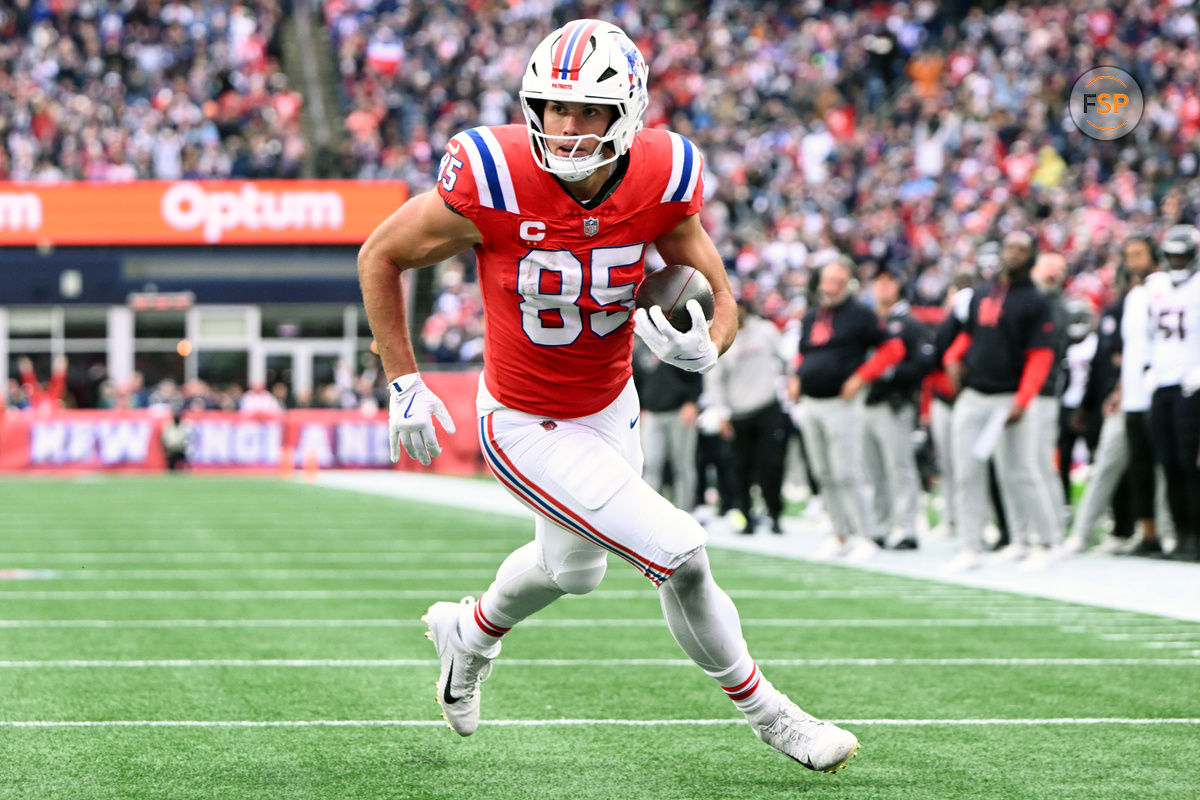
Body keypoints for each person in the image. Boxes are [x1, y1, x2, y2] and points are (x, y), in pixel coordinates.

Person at [356, 20, 859, 772]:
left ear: (626, 113)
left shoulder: (661, 172)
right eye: (555, 107)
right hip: (524, 419)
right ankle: (772, 715)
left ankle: (470, 631)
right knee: (681, 553)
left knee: (573, 571)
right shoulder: (491, 171)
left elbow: (716, 287)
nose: (567, 125)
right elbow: (381, 253)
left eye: (589, 111)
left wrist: (707, 343)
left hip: (610, 403)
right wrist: (403, 379)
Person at [941, 231, 1062, 573]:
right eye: (1010, 247)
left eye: (1022, 249)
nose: (1014, 254)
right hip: (975, 393)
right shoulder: (983, 293)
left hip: (1011, 396)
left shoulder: (1035, 301)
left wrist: (1024, 400)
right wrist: (953, 356)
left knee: (1022, 471)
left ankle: (1049, 541)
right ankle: (971, 546)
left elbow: (1041, 355)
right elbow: (972, 335)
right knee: (966, 471)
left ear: (1032, 256)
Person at [787, 256, 906, 561]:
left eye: (838, 282)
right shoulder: (812, 316)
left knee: (847, 471)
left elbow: (893, 348)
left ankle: (868, 535)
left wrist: (861, 378)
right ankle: (839, 534)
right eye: (828, 281)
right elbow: (805, 353)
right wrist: (796, 379)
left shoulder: (860, 314)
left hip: (842, 403)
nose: (832, 287)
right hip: (812, 402)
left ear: (848, 284)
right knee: (823, 472)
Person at [861, 266, 933, 550]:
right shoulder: (870, 321)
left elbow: (924, 361)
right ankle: (880, 525)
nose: (882, 287)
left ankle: (906, 528)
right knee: (874, 469)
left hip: (895, 403)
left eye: (888, 281)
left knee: (899, 467)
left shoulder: (909, 324)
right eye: (878, 282)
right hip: (867, 401)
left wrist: (892, 374)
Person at [703, 298, 789, 534]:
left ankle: (775, 513)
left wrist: (789, 385)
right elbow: (714, 380)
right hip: (738, 412)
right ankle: (746, 517)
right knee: (740, 468)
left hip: (767, 405)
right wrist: (720, 412)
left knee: (771, 465)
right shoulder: (721, 337)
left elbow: (785, 359)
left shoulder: (765, 331)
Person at [1141, 225, 1200, 560]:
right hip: (1162, 382)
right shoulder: (1156, 285)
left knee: (1187, 463)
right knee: (1167, 463)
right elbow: (1150, 333)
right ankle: (1179, 535)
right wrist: (1150, 368)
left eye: (1183, 255)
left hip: (1190, 384)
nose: (1178, 261)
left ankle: (1195, 535)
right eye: (1173, 255)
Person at [631, 336, 702, 511]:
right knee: (651, 464)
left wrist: (692, 402)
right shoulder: (640, 350)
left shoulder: (677, 343)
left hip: (679, 411)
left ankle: (684, 512)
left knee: (683, 465)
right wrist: (640, 408)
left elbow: (696, 372)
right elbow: (636, 381)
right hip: (652, 413)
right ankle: (650, 513)